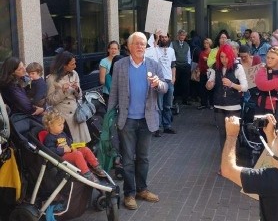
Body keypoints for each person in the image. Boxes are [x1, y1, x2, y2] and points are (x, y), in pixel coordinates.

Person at [107, 32, 167, 210]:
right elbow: (114, 92)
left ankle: (142, 189)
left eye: (143, 44)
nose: (141, 46)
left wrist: (158, 84)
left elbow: (165, 87)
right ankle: (129, 193)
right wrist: (110, 116)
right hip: (127, 120)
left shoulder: (153, 65)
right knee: (127, 159)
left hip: (147, 119)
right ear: (129, 46)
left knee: (144, 157)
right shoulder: (120, 65)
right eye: (137, 44)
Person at [43, 110, 106, 183]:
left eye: (62, 124)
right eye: (59, 125)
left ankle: (96, 166)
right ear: (50, 126)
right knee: (77, 154)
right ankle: (87, 173)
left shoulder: (62, 134)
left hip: (70, 153)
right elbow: (50, 151)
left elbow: (69, 142)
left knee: (85, 149)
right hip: (61, 158)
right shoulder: (49, 138)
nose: (62, 126)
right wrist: (63, 150)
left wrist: (73, 147)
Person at [206, 44, 248, 154]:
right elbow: (209, 84)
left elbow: (244, 87)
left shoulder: (237, 67)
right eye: (221, 57)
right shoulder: (216, 67)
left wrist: (231, 84)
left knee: (232, 135)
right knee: (222, 134)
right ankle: (224, 162)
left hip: (233, 106)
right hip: (219, 104)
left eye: (226, 57)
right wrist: (209, 85)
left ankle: (233, 162)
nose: (224, 60)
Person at [46, 51, 91, 144]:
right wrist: (62, 91)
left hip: (76, 114)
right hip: (63, 116)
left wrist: (77, 89)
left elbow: (79, 96)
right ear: (64, 65)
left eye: (75, 63)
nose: (75, 66)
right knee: (70, 145)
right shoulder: (51, 79)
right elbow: (50, 101)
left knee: (83, 144)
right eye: (72, 64)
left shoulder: (74, 74)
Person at [145, 33, 177, 136]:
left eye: (165, 37)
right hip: (159, 80)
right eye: (161, 37)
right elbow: (152, 46)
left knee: (167, 105)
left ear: (169, 38)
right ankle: (157, 127)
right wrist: (156, 37)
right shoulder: (155, 49)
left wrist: (173, 77)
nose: (163, 39)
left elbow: (173, 65)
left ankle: (167, 126)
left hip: (169, 80)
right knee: (158, 105)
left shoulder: (172, 51)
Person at [171, 29, 191, 105]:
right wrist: (173, 65)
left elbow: (188, 56)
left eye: (184, 35)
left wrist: (188, 64)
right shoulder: (173, 44)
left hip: (185, 66)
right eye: (181, 35)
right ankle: (174, 99)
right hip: (176, 66)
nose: (182, 37)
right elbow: (171, 54)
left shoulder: (187, 45)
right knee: (175, 83)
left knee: (186, 84)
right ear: (178, 35)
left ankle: (185, 100)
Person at [197, 38, 213, 110]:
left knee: (210, 88)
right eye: (204, 43)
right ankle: (203, 103)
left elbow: (214, 62)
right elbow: (199, 63)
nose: (205, 45)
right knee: (202, 88)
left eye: (207, 43)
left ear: (210, 44)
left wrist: (208, 60)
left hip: (210, 73)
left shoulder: (212, 52)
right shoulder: (202, 52)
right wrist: (198, 71)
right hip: (203, 72)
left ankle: (211, 103)